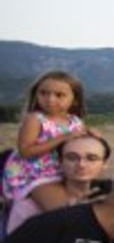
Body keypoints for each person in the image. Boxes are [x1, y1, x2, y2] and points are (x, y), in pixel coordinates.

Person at [3, 70, 90, 203]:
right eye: (43, 93)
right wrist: (61, 138)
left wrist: (92, 137)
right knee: (60, 207)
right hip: (36, 174)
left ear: (75, 100)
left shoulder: (76, 122)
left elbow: (80, 143)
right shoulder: (36, 119)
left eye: (59, 95)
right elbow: (25, 152)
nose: (50, 99)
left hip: (67, 171)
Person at [5, 134, 110, 235]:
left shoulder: (112, 196)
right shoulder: (29, 206)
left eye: (91, 158)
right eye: (72, 157)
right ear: (60, 162)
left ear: (105, 164)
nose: (81, 165)